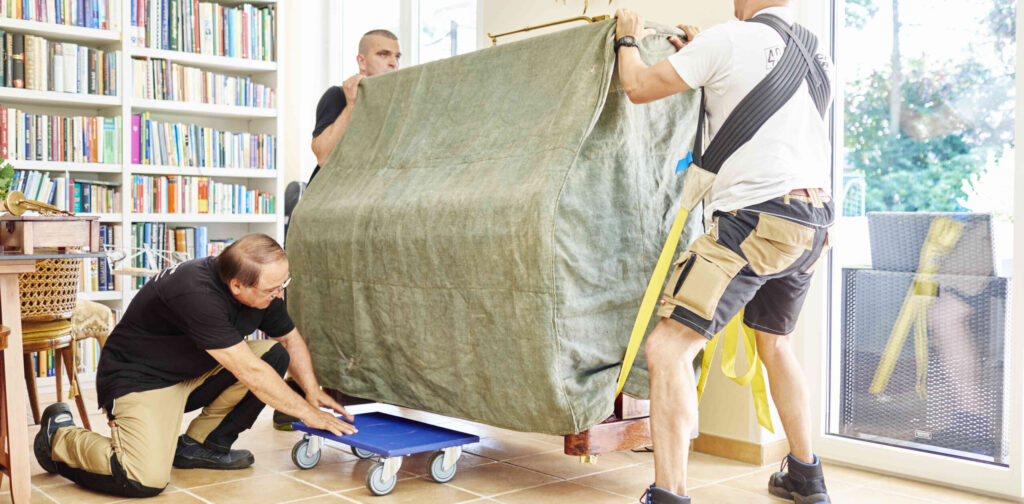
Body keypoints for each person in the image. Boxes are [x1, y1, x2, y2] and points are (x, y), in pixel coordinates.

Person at [614, 1, 835, 503]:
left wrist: (627, 37)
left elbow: (638, 86)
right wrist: (703, 55)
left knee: (667, 349)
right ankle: (806, 477)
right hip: (814, 224)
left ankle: (668, 494)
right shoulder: (817, 53)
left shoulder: (728, 38)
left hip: (756, 222)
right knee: (774, 344)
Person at [34, 234, 357, 498]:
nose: (279, 294)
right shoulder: (195, 292)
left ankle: (200, 446)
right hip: (141, 380)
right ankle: (58, 435)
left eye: (283, 284)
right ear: (236, 286)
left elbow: (288, 339)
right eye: (273, 289)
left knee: (272, 355)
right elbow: (249, 372)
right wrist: (308, 413)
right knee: (142, 479)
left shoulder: (261, 288)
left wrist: (312, 391)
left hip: (195, 371)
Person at [309, 29, 402, 183]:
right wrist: (352, 105)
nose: (393, 63)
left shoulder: (396, 106)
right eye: (383, 54)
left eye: (397, 56)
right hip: (330, 192)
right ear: (362, 62)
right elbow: (323, 157)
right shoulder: (337, 96)